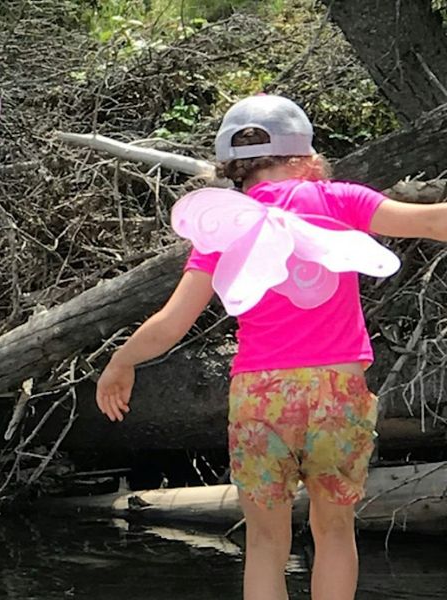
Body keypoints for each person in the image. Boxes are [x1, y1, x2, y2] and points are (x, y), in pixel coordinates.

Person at [95, 94, 447, 600]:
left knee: (264, 544)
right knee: (334, 535)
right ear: (305, 157)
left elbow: (173, 321)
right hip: (337, 392)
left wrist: (121, 360)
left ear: (232, 169)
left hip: (261, 398)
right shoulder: (337, 199)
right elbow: (434, 222)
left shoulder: (223, 229)